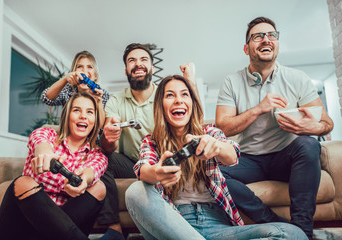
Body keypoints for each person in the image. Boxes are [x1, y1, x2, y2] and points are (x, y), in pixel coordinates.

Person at [125, 75, 307, 240]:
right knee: (135, 191)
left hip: (218, 226)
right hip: (174, 225)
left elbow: (232, 155)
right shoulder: (151, 142)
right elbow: (143, 169)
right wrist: (156, 173)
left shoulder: (209, 132)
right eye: (170, 95)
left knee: (293, 234)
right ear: (161, 105)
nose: (178, 100)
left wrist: (216, 146)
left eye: (184, 94)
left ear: (192, 103)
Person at [215, 16, 334, 239]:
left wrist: (312, 126)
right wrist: (258, 108)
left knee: (309, 145)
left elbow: (327, 124)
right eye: (257, 36)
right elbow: (223, 128)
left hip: (286, 157)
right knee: (209, 170)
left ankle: (302, 232)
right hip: (248, 158)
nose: (265, 39)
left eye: (271, 35)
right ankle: (274, 223)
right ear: (246, 47)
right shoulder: (232, 81)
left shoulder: (297, 78)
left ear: (277, 44)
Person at [98, 43, 196, 239]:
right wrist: (109, 138)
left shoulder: (165, 96)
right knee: (100, 157)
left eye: (143, 60)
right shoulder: (116, 101)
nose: (138, 64)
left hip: (163, 160)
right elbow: (109, 145)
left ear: (152, 68)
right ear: (126, 69)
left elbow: (192, 118)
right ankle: (114, 228)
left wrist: (190, 81)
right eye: (131, 60)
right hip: (131, 163)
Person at [0, 92, 107, 240]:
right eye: (76, 110)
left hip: (57, 230)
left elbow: (93, 170)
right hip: (20, 227)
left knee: (99, 187)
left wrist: (84, 180)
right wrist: (45, 155)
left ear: (95, 120)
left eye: (90, 112)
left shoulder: (97, 155)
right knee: (23, 182)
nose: (83, 116)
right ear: (67, 115)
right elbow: (39, 141)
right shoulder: (47, 134)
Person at [41, 50, 109, 128]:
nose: (84, 71)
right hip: (70, 135)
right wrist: (65, 79)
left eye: (90, 67)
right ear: (74, 72)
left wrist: (98, 101)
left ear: (95, 75)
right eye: (80, 66)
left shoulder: (102, 94)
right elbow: (47, 98)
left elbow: (101, 126)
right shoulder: (68, 90)